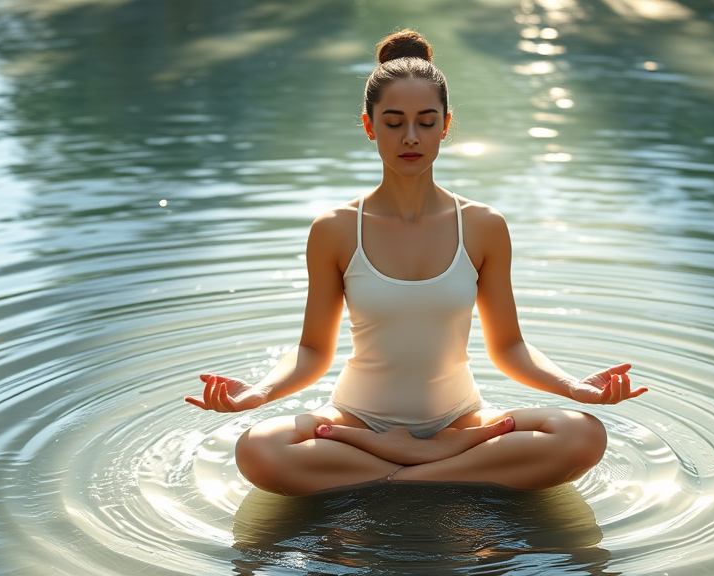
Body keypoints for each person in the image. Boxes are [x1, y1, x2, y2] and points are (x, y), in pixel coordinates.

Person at [185, 29, 647, 497]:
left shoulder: (484, 225)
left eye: (426, 122)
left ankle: (403, 470)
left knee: (582, 434)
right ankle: (439, 468)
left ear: (446, 125)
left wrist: (574, 388)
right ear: (369, 126)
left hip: (460, 422)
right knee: (259, 448)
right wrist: (260, 392)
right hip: (355, 420)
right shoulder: (336, 229)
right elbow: (312, 351)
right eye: (393, 122)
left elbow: (508, 347)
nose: (411, 137)